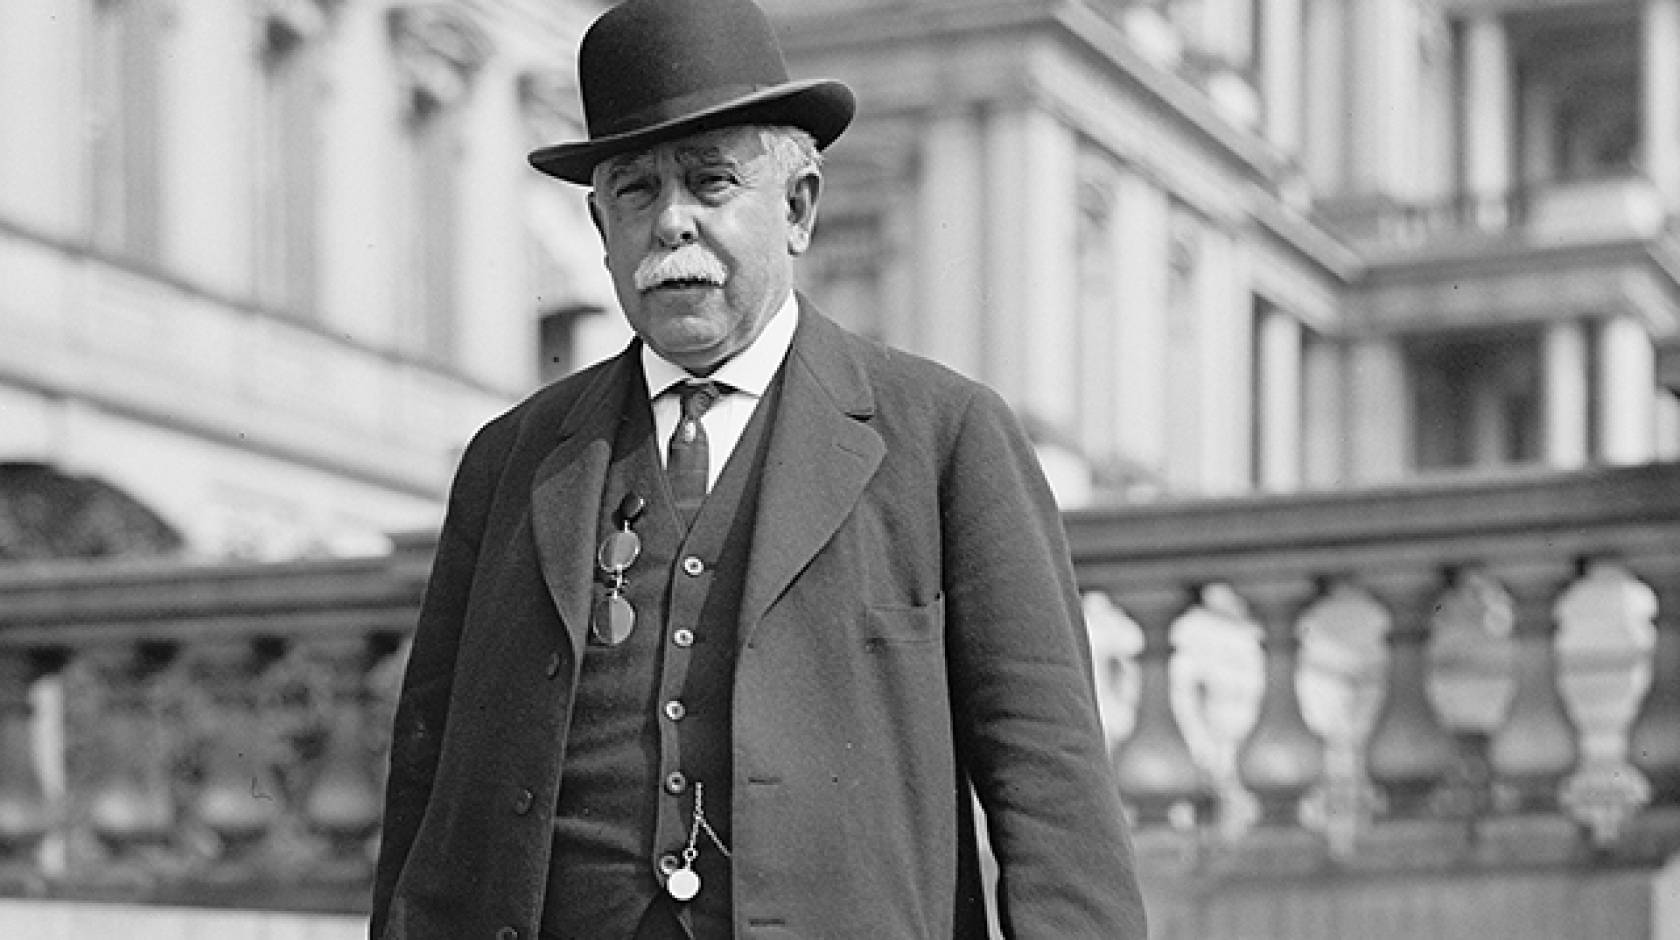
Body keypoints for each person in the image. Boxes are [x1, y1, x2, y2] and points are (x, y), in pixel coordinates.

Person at [370, 0, 1146, 937]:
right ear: (599, 224)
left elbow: (1051, 787)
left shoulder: (944, 437)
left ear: (799, 208)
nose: (671, 225)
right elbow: (426, 777)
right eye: (636, 192)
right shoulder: (514, 459)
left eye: (710, 181)